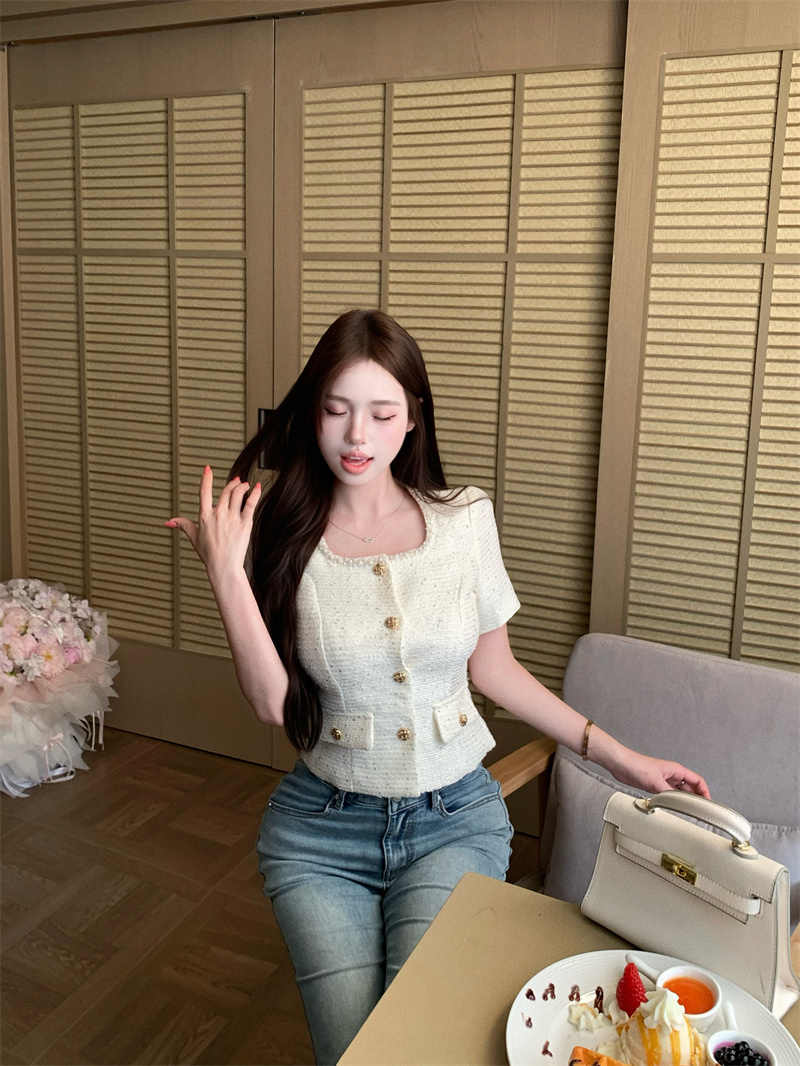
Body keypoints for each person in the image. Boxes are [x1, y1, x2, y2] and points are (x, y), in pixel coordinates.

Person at [165, 309, 709, 1065]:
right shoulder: (280, 535)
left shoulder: (464, 521)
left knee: (416, 1048)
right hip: (321, 832)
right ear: (312, 414)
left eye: (382, 413)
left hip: (452, 821)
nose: (357, 436)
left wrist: (623, 759)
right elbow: (272, 704)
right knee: (353, 1052)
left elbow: (495, 670)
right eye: (336, 410)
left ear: (414, 417)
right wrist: (226, 573)